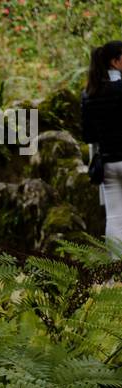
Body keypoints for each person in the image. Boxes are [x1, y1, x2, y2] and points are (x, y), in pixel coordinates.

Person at [81, 40, 122, 254]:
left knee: (114, 218)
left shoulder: (89, 94)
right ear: (115, 61)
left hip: (107, 163)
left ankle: (116, 272)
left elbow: (88, 136)